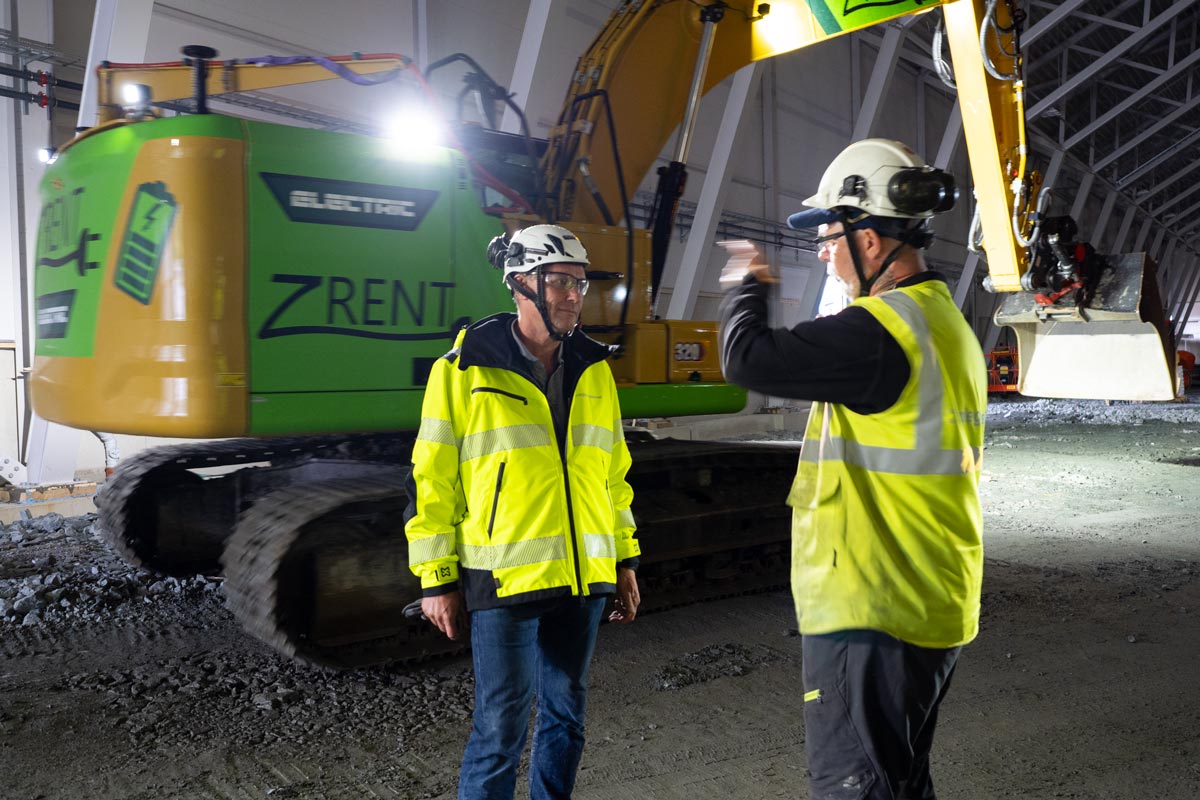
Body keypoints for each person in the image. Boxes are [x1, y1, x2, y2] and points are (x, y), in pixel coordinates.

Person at [718, 138, 986, 800]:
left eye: (831, 235)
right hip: (928, 598)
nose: (822, 253)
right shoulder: (943, 324)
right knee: (896, 783)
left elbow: (746, 360)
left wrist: (747, 282)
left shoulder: (880, 332)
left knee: (858, 788)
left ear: (870, 240)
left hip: (875, 608)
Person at [404, 223, 641, 800]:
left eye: (580, 284)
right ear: (519, 284)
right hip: (504, 578)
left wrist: (626, 560)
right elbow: (432, 479)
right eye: (559, 281)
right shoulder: (464, 368)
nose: (572, 296)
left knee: (567, 716)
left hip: (583, 578)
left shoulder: (595, 370)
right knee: (500, 730)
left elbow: (612, 476)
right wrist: (436, 579)